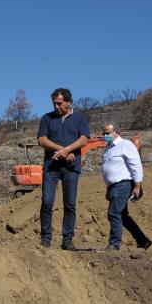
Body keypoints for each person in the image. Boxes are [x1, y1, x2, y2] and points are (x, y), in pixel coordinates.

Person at [37, 88, 90, 250]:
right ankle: (45, 237)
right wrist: (61, 150)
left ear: (68, 102)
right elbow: (41, 140)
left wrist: (66, 151)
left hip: (71, 167)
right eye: (54, 103)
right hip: (51, 167)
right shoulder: (47, 118)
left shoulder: (80, 118)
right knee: (46, 202)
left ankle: (67, 239)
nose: (56, 106)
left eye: (59, 103)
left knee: (69, 204)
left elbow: (83, 140)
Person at [100, 122, 152, 251]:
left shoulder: (126, 145)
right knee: (122, 215)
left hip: (123, 184)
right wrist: (108, 186)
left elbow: (136, 165)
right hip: (113, 186)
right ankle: (143, 240)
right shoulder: (108, 148)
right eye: (104, 133)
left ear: (117, 132)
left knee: (114, 213)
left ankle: (114, 244)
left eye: (108, 133)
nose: (105, 135)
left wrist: (138, 185)